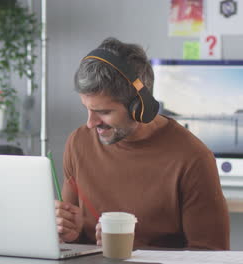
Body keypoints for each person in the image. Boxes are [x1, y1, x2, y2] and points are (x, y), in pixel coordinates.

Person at [54, 37, 229, 250]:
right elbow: (72, 234)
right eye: (87, 109)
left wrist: (136, 251)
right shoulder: (78, 143)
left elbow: (213, 256)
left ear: (140, 107)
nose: (90, 123)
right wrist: (71, 234)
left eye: (104, 112)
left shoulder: (193, 158)